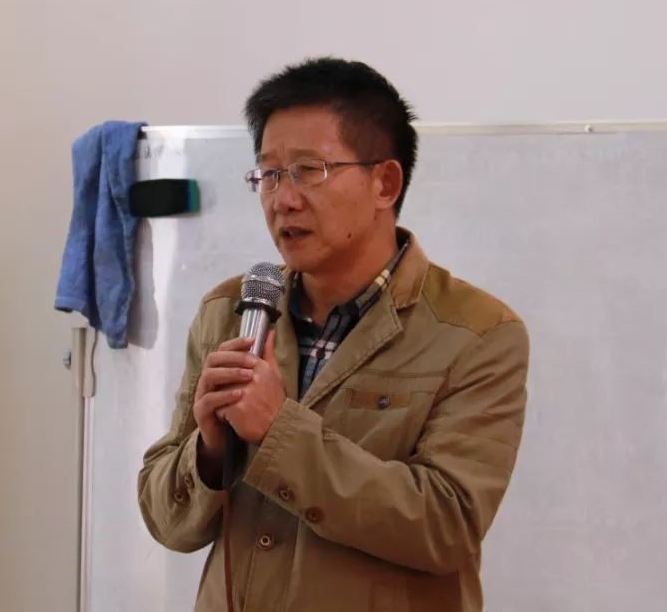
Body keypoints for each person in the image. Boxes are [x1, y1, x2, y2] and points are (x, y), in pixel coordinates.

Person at [137, 57, 530, 611]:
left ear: (384, 183)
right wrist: (210, 450)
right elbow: (167, 521)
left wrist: (277, 431)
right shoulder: (231, 310)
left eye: (308, 170)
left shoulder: (478, 333)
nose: (283, 199)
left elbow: (447, 526)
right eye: (269, 174)